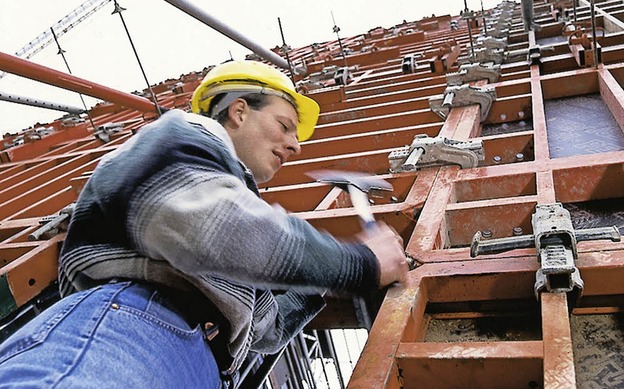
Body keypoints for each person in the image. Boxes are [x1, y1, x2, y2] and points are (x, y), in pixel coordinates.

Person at [0, 60, 408, 388]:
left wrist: (321, 283)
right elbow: (218, 228)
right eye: (285, 125)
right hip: (129, 331)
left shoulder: (228, 199)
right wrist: (359, 263)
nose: (295, 145)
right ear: (239, 111)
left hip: (200, 361)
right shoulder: (185, 132)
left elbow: (265, 331)